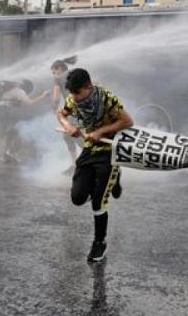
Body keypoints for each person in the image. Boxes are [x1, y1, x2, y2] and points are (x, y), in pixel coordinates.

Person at [56, 68, 133, 263]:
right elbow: (61, 115)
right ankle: (110, 181)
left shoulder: (107, 98)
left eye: (78, 93)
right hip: (90, 148)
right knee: (77, 198)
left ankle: (99, 243)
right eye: (72, 94)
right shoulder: (73, 100)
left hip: (110, 151)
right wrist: (69, 127)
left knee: (98, 201)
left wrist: (101, 131)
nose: (75, 98)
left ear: (89, 87)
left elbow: (127, 121)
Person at [0, 79, 48, 163]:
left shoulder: (12, 89)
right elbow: (30, 102)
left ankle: (6, 155)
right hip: (2, 112)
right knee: (18, 132)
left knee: (10, 133)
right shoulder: (20, 91)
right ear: (27, 88)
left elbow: (11, 103)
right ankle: (11, 152)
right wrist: (43, 95)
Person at [50, 57, 81, 166]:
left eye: (54, 71)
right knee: (69, 136)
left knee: (73, 136)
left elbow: (56, 98)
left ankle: (85, 163)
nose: (54, 74)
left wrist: (54, 107)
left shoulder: (58, 79)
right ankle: (75, 164)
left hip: (74, 111)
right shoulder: (76, 73)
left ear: (59, 68)